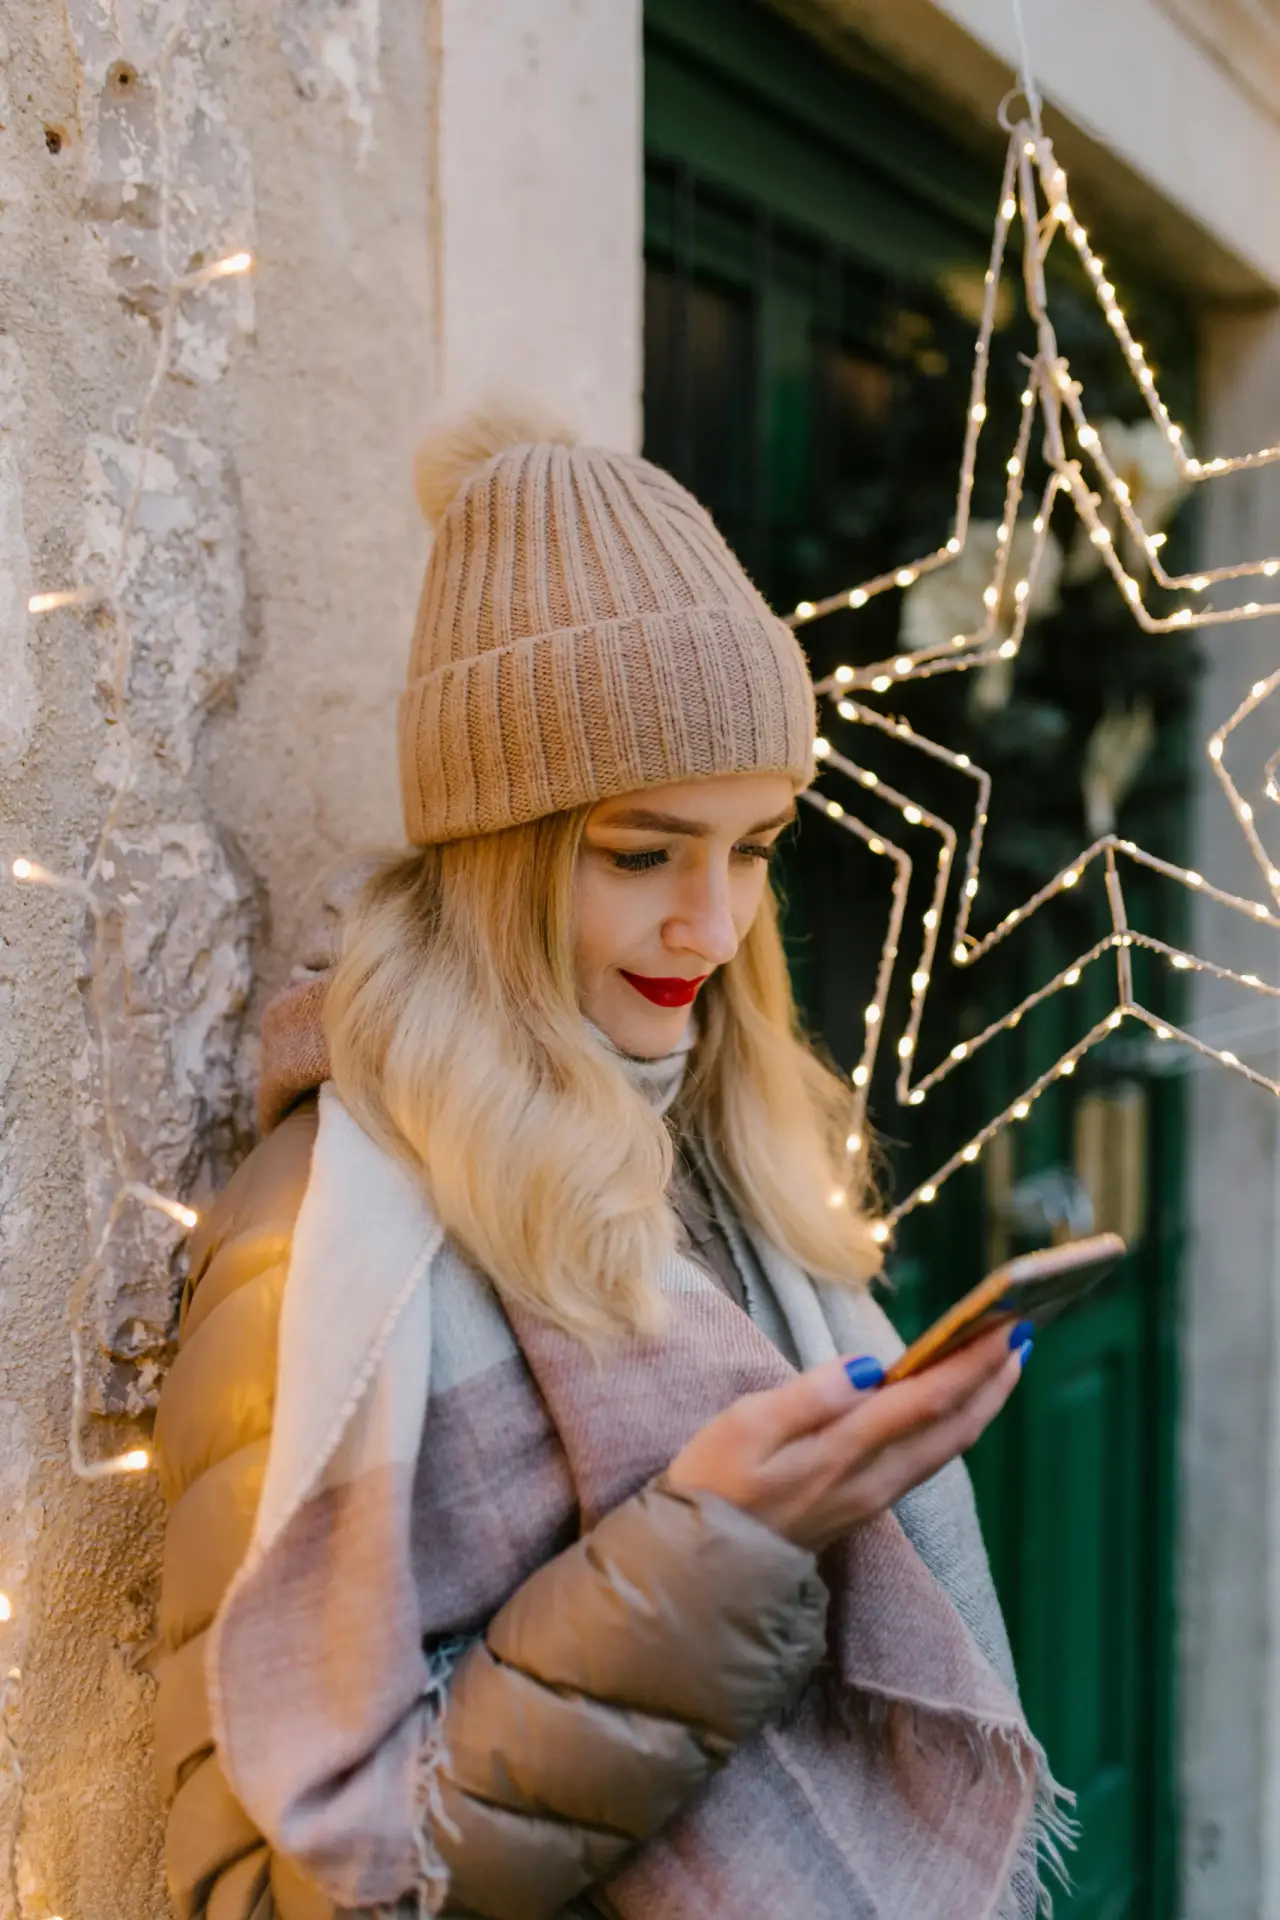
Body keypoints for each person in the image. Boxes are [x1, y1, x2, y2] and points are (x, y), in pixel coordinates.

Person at [152, 406, 1067, 1920]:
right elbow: (265, 1887)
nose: (712, 928)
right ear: (501, 849)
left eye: (758, 846)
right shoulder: (324, 1243)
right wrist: (709, 1562)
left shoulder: (724, 1150)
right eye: (643, 855)